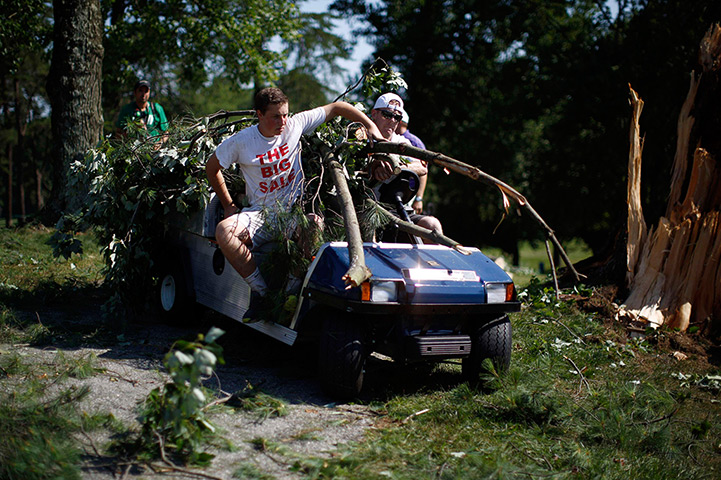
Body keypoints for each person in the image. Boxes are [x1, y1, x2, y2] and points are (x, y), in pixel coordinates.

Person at [205, 87, 384, 314]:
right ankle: (262, 293)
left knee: (314, 223)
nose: (283, 121)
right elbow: (212, 168)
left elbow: (337, 108)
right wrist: (229, 205)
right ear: (259, 114)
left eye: (285, 114)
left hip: (293, 212)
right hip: (259, 214)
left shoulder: (295, 125)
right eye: (275, 116)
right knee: (224, 232)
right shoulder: (242, 141)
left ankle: (290, 294)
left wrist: (370, 126)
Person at [368, 92, 443, 239]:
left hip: (400, 209)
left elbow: (421, 167)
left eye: (397, 117)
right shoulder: (361, 139)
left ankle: (427, 263)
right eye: (387, 114)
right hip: (368, 208)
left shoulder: (402, 143)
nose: (392, 120)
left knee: (432, 225)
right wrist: (373, 168)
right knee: (368, 234)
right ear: (374, 113)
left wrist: (396, 168)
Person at [396, 110, 428, 214]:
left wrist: (418, 199)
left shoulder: (413, 142)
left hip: (408, 191)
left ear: (400, 122)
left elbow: (423, 171)